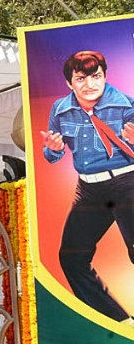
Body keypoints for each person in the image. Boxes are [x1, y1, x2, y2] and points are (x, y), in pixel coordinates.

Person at [41, 50, 134, 324]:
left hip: (126, 182)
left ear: (105, 77)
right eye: (81, 78)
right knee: (72, 258)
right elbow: (53, 155)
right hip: (90, 190)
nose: (90, 84)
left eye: (96, 76)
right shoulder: (60, 109)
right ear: (70, 83)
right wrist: (53, 150)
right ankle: (120, 323)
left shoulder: (127, 105)